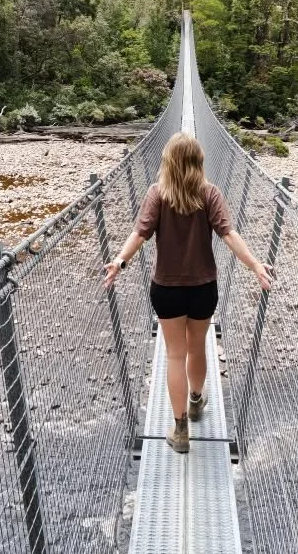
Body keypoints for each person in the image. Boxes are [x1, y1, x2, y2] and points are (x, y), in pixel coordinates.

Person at [102, 132, 272, 454]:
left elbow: (140, 234)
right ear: (198, 162)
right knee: (197, 349)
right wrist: (256, 266)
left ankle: (180, 430)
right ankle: (196, 399)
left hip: (166, 288)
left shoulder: (157, 194)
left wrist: (119, 261)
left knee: (175, 355)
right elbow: (228, 234)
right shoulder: (210, 194)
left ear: (167, 162)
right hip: (202, 288)